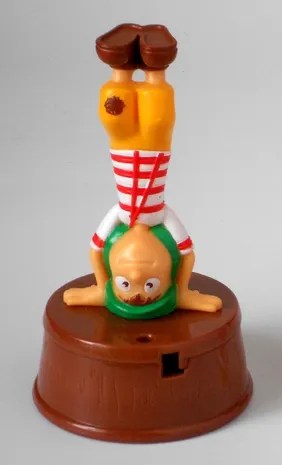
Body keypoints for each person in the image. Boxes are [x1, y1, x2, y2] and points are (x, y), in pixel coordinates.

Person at [64, 24, 222, 314]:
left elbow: (95, 250)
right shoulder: (162, 216)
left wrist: (100, 286)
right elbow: (187, 254)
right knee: (156, 117)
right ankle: (155, 66)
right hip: (157, 149)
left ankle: (120, 66)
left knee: (115, 116)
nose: (136, 280)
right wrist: (183, 292)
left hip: (120, 147)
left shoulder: (120, 214)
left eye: (125, 285)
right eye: (149, 285)